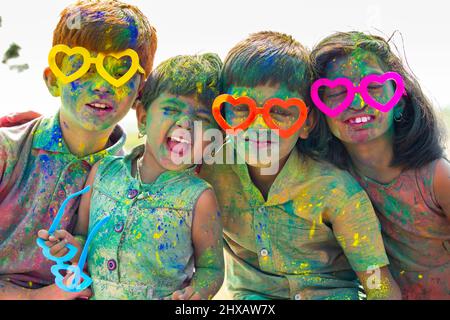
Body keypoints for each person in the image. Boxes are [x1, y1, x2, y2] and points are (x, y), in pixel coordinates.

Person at [200, 31, 401, 300]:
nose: (259, 126)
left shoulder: (336, 192)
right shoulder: (207, 173)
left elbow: (378, 283)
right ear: (222, 114)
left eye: (281, 112)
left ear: (307, 123)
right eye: (241, 108)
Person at [0, 0, 157, 300]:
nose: (101, 85)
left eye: (120, 70)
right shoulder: (7, 151)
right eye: (81, 65)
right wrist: (33, 297)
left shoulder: (129, 188)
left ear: (140, 93)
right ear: (53, 79)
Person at [38, 54, 225, 300]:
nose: (185, 123)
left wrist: (198, 292)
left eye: (201, 118)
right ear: (143, 118)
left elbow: (211, 268)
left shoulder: (199, 198)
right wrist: (70, 247)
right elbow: (84, 240)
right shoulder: (103, 173)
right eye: (171, 109)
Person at [310, 31, 450, 299]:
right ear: (319, 112)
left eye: (373, 87)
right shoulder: (333, 183)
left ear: (398, 100)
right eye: (338, 92)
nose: (357, 102)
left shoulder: (436, 177)